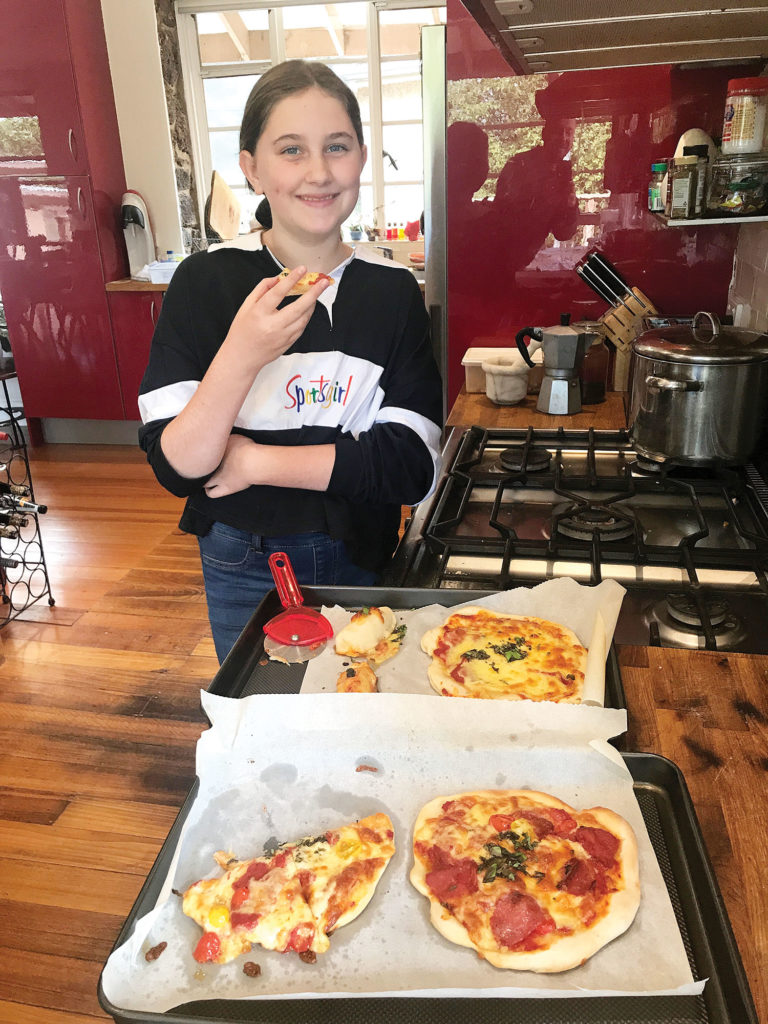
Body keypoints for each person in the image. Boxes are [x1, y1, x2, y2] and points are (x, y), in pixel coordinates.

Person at [138, 60, 443, 663]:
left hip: (363, 551)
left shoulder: (393, 292)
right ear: (252, 168)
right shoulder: (205, 283)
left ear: (360, 156)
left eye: (337, 146)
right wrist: (242, 354)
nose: (319, 172)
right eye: (290, 150)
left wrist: (253, 460)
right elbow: (179, 466)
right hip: (241, 558)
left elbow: (410, 468)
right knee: (262, 723)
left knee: (360, 722)